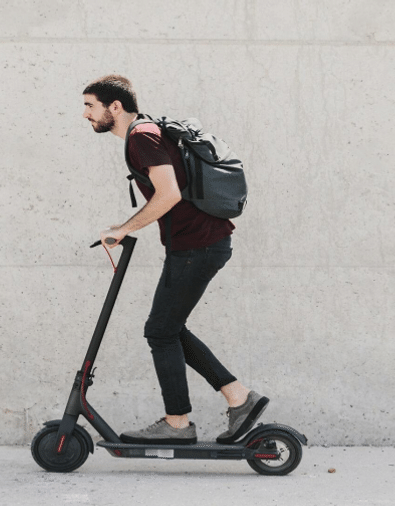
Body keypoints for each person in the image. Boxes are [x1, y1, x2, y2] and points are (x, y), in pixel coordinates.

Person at [81, 75, 268, 445]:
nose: (84, 114)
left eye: (90, 105)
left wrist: (123, 228)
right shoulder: (147, 131)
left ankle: (178, 423)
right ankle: (238, 398)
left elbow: (168, 195)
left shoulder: (141, 136)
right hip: (197, 244)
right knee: (169, 328)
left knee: (160, 330)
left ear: (114, 107)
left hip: (197, 246)